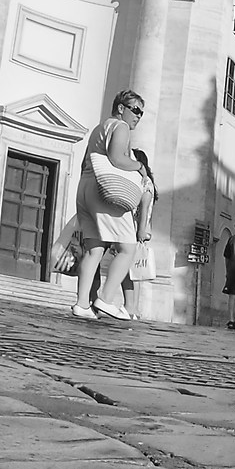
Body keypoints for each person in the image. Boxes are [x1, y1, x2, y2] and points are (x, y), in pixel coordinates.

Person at [72, 90, 149, 322]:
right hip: (104, 189)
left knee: (94, 248)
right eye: (135, 110)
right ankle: (105, 299)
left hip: (85, 185)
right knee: (127, 247)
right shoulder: (120, 127)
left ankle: (82, 304)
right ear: (120, 108)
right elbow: (117, 158)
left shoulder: (99, 128)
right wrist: (139, 167)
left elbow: (88, 160)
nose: (138, 116)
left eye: (141, 113)